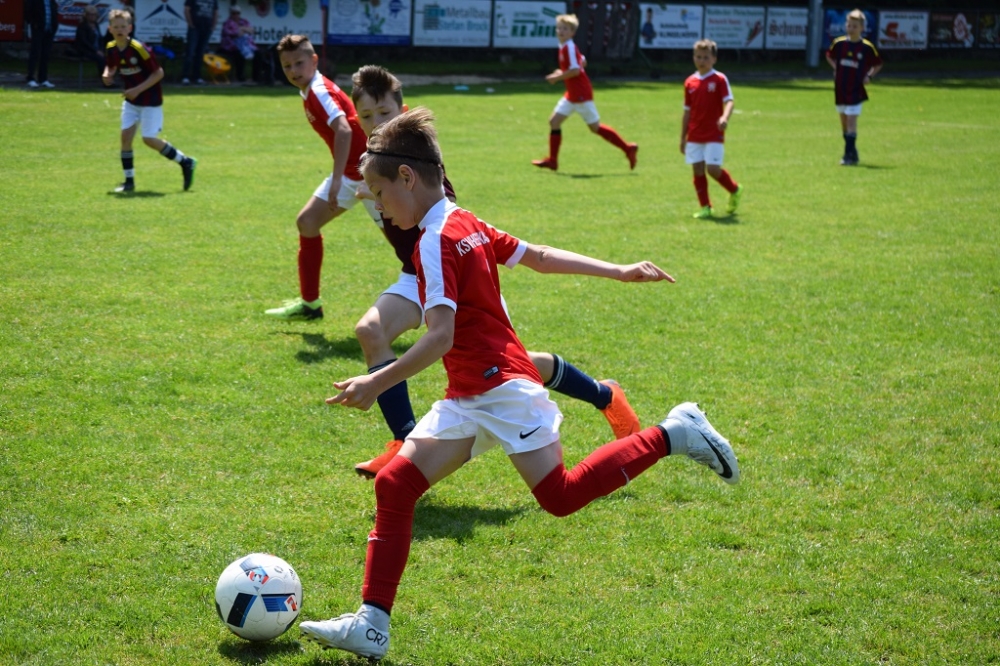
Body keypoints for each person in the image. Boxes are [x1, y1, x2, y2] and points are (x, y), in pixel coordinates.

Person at [298, 108, 740, 660]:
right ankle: (372, 624)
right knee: (395, 485)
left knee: (560, 496)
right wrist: (619, 269)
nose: (380, 206)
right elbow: (540, 257)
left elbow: (439, 337)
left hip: (502, 388)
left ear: (407, 178)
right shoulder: (462, 220)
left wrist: (377, 380)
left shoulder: (433, 240)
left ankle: (674, 433)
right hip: (470, 393)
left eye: (380, 193)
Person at [348, 65, 642, 478]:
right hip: (416, 275)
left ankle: (603, 394)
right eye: (367, 116)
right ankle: (405, 440)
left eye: (384, 113)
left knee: (508, 367)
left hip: (455, 273)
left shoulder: (421, 184)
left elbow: (502, 249)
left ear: (403, 112)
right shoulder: (374, 170)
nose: (376, 122)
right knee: (372, 331)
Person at [264, 35, 381, 321]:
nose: (294, 71)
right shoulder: (311, 89)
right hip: (352, 172)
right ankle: (310, 305)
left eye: (299, 63)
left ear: (314, 60)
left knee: (408, 244)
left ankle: (453, 300)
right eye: (287, 66)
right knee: (307, 222)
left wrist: (338, 179)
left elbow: (343, 129)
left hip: (370, 175)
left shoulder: (318, 91)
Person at [102, 9, 197, 193]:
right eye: (116, 27)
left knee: (149, 139)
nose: (120, 30)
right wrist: (108, 74)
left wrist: (137, 90)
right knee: (125, 137)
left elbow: (159, 73)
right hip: (131, 101)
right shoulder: (111, 47)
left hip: (150, 100)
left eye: (123, 26)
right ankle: (129, 182)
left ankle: (185, 162)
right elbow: (111, 65)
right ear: (110, 29)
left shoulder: (139, 48)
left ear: (130, 28)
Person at [532, 14, 638, 172]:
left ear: (572, 32)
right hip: (572, 93)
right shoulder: (565, 46)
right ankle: (553, 161)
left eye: (565, 29)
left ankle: (628, 148)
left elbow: (575, 70)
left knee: (595, 127)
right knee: (554, 122)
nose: (561, 31)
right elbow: (582, 61)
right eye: (559, 28)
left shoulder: (568, 47)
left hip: (581, 94)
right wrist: (560, 72)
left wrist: (558, 77)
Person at [680, 39, 743, 219]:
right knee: (697, 169)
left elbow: (729, 101)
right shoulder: (690, 82)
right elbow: (687, 112)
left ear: (714, 59)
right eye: (698, 57)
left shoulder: (719, 79)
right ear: (694, 58)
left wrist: (724, 117)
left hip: (714, 132)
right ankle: (705, 207)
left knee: (713, 169)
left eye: (706, 57)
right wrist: (683, 137)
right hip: (695, 134)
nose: (702, 61)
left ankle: (734, 189)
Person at [825, 9, 883, 166]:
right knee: (844, 122)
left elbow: (878, 64)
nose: (851, 29)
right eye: (849, 25)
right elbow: (829, 56)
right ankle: (853, 152)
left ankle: (847, 156)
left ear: (862, 28)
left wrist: (869, 76)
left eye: (855, 26)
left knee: (851, 121)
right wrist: (836, 67)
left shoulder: (867, 47)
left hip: (856, 90)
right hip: (840, 88)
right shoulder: (839, 44)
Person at [219, 5, 260, 84]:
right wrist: (243, 29)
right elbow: (234, 33)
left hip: (246, 45)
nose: (236, 15)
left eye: (237, 13)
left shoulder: (244, 21)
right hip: (230, 47)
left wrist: (241, 29)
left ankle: (256, 78)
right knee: (238, 54)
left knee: (258, 54)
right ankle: (240, 77)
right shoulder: (227, 23)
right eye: (234, 13)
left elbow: (252, 30)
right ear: (231, 14)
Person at [182, 0, 218, 85]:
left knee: (200, 53)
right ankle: (185, 76)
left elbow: (215, 12)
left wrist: (213, 26)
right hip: (195, 28)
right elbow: (187, 9)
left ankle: (197, 77)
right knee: (190, 52)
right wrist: (190, 24)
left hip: (206, 29)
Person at [26, 0, 59, 89]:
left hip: (49, 30)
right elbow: (28, 11)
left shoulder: (51, 1)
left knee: (45, 55)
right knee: (35, 53)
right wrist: (33, 23)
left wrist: (54, 25)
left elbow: (54, 13)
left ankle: (43, 79)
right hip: (38, 29)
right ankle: (31, 78)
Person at [74, 5, 106, 79]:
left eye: (94, 15)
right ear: (86, 15)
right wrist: (96, 51)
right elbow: (84, 41)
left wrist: (101, 49)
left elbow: (100, 38)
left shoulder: (96, 25)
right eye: (90, 15)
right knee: (101, 58)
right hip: (86, 50)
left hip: (96, 49)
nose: (92, 17)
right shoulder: (82, 26)